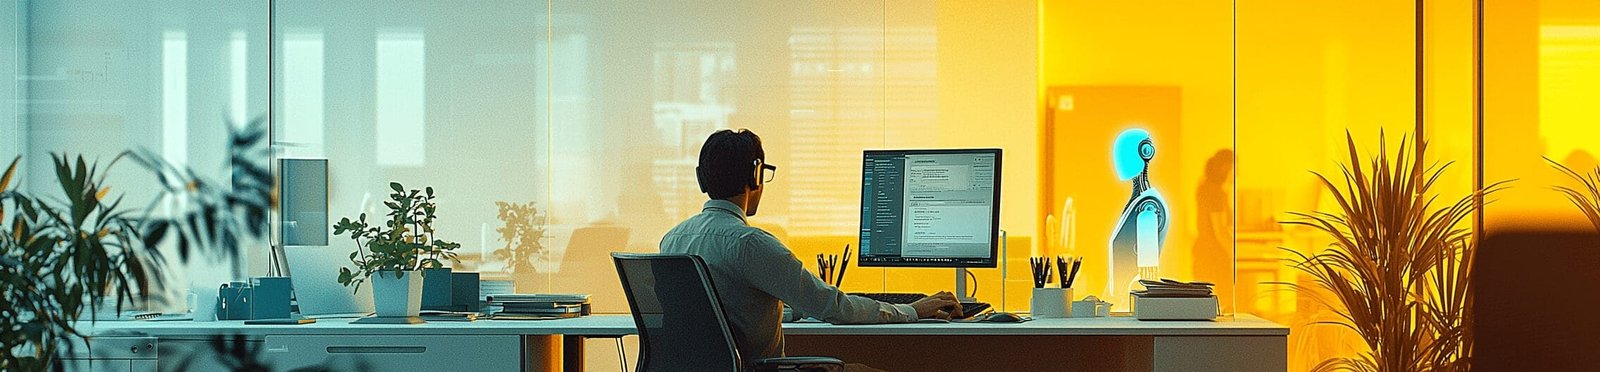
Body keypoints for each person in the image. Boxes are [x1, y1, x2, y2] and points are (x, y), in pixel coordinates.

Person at [660, 129, 963, 367]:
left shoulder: (672, 240)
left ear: (702, 179)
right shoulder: (751, 245)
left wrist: (788, 310)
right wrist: (910, 310)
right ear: (756, 176)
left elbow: (723, 316)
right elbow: (835, 307)